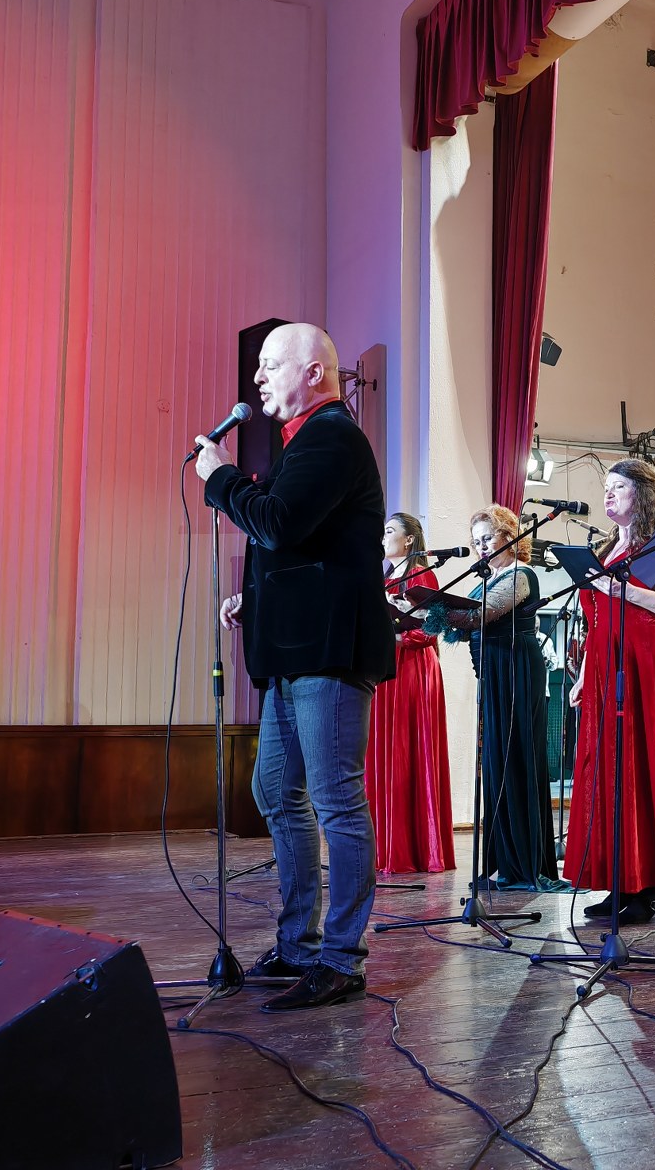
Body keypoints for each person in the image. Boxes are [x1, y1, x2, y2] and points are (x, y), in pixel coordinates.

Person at [193, 322, 389, 1012]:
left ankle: (341, 958)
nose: (258, 378)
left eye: (271, 364)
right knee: (277, 788)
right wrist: (257, 598)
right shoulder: (303, 442)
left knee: (336, 797)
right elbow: (307, 548)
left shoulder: (333, 435)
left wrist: (220, 477)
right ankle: (300, 943)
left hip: (329, 654)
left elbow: (276, 523)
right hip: (295, 652)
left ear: (313, 372)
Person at [563, 460, 655, 924]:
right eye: (607, 487)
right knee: (610, 771)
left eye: (618, 486)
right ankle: (618, 880)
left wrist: (624, 592)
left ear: (642, 494)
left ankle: (651, 887)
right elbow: (595, 619)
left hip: (644, 665)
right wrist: (584, 675)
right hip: (604, 667)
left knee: (643, 765)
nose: (609, 493)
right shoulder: (605, 548)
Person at [433, 505, 556, 888]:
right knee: (498, 761)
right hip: (493, 673)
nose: (481, 546)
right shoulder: (490, 576)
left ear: (508, 536)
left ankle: (526, 865)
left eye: (488, 538)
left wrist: (433, 610)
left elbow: (480, 615)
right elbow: (465, 624)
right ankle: (505, 862)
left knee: (517, 758)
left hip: (516, 671)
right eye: (477, 541)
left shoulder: (521, 574)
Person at [364, 513, 454, 875]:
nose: (383, 537)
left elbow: (433, 627)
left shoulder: (422, 575)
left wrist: (399, 636)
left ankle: (414, 847)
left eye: (389, 531)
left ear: (409, 540)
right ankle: (383, 845)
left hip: (413, 667)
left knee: (407, 749)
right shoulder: (384, 578)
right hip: (387, 667)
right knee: (386, 751)